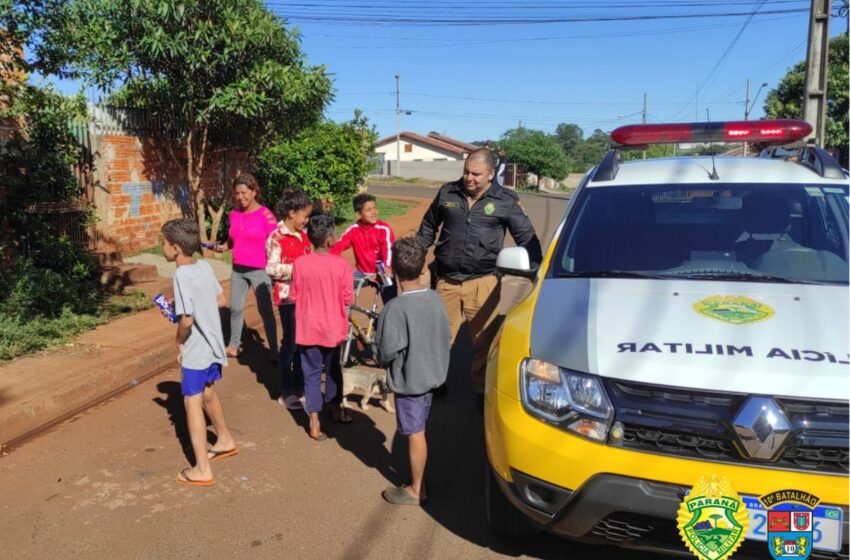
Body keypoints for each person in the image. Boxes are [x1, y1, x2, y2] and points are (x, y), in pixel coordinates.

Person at [417, 148, 542, 410]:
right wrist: (415, 256)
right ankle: (436, 382)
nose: (469, 178)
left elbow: (527, 238)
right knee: (440, 335)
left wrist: (536, 270)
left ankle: (481, 388)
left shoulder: (505, 199)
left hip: (483, 281)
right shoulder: (448, 192)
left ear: (491, 174)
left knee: (484, 340)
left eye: (476, 174)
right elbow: (429, 226)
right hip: (446, 280)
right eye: (466, 172)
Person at [161, 218, 237, 487]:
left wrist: (178, 342)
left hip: (196, 349)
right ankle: (225, 438)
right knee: (208, 392)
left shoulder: (181, 274)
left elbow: (186, 321)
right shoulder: (203, 266)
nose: (163, 247)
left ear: (176, 249)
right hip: (214, 345)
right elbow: (220, 300)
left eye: (165, 243)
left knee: (191, 402)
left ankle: (202, 468)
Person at [375, 237, 450, 506]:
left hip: (411, 381)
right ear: (422, 269)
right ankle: (419, 479)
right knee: (421, 426)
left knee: (415, 431)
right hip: (432, 375)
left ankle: (417, 489)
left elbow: (386, 352)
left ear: (393, 270)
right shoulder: (435, 299)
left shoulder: (394, 309)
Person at [289, 214, 355, 441]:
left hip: (307, 330)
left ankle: (314, 422)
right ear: (329, 240)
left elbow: (294, 295)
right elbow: (349, 298)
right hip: (333, 331)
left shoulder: (300, 263)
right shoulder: (342, 265)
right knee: (333, 370)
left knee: (311, 374)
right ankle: (336, 409)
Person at [210, 174, 279, 360]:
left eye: (244, 193)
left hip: (260, 271)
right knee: (236, 309)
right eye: (237, 194)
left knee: (265, 311)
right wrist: (224, 246)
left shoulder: (266, 215)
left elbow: (276, 243)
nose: (240, 197)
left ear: (254, 191)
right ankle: (233, 345)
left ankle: (274, 349)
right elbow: (233, 239)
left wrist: (276, 269)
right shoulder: (234, 214)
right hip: (238, 270)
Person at [266, 188, 313, 410]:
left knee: (303, 343)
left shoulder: (303, 235)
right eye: (304, 216)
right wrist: (299, 269)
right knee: (291, 344)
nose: (307, 221)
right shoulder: (276, 237)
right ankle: (286, 391)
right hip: (287, 298)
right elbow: (272, 268)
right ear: (292, 213)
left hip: (305, 296)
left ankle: (300, 387)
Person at [330, 193, 397, 303]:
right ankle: (342, 316)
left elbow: (388, 251)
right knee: (339, 288)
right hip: (363, 272)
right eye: (369, 210)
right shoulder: (353, 230)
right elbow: (339, 245)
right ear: (358, 214)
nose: (374, 212)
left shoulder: (384, 229)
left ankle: (390, 316)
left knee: (391, 303)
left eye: (375, 208)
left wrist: (387, 268)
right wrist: (323, 257)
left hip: (382, 272)